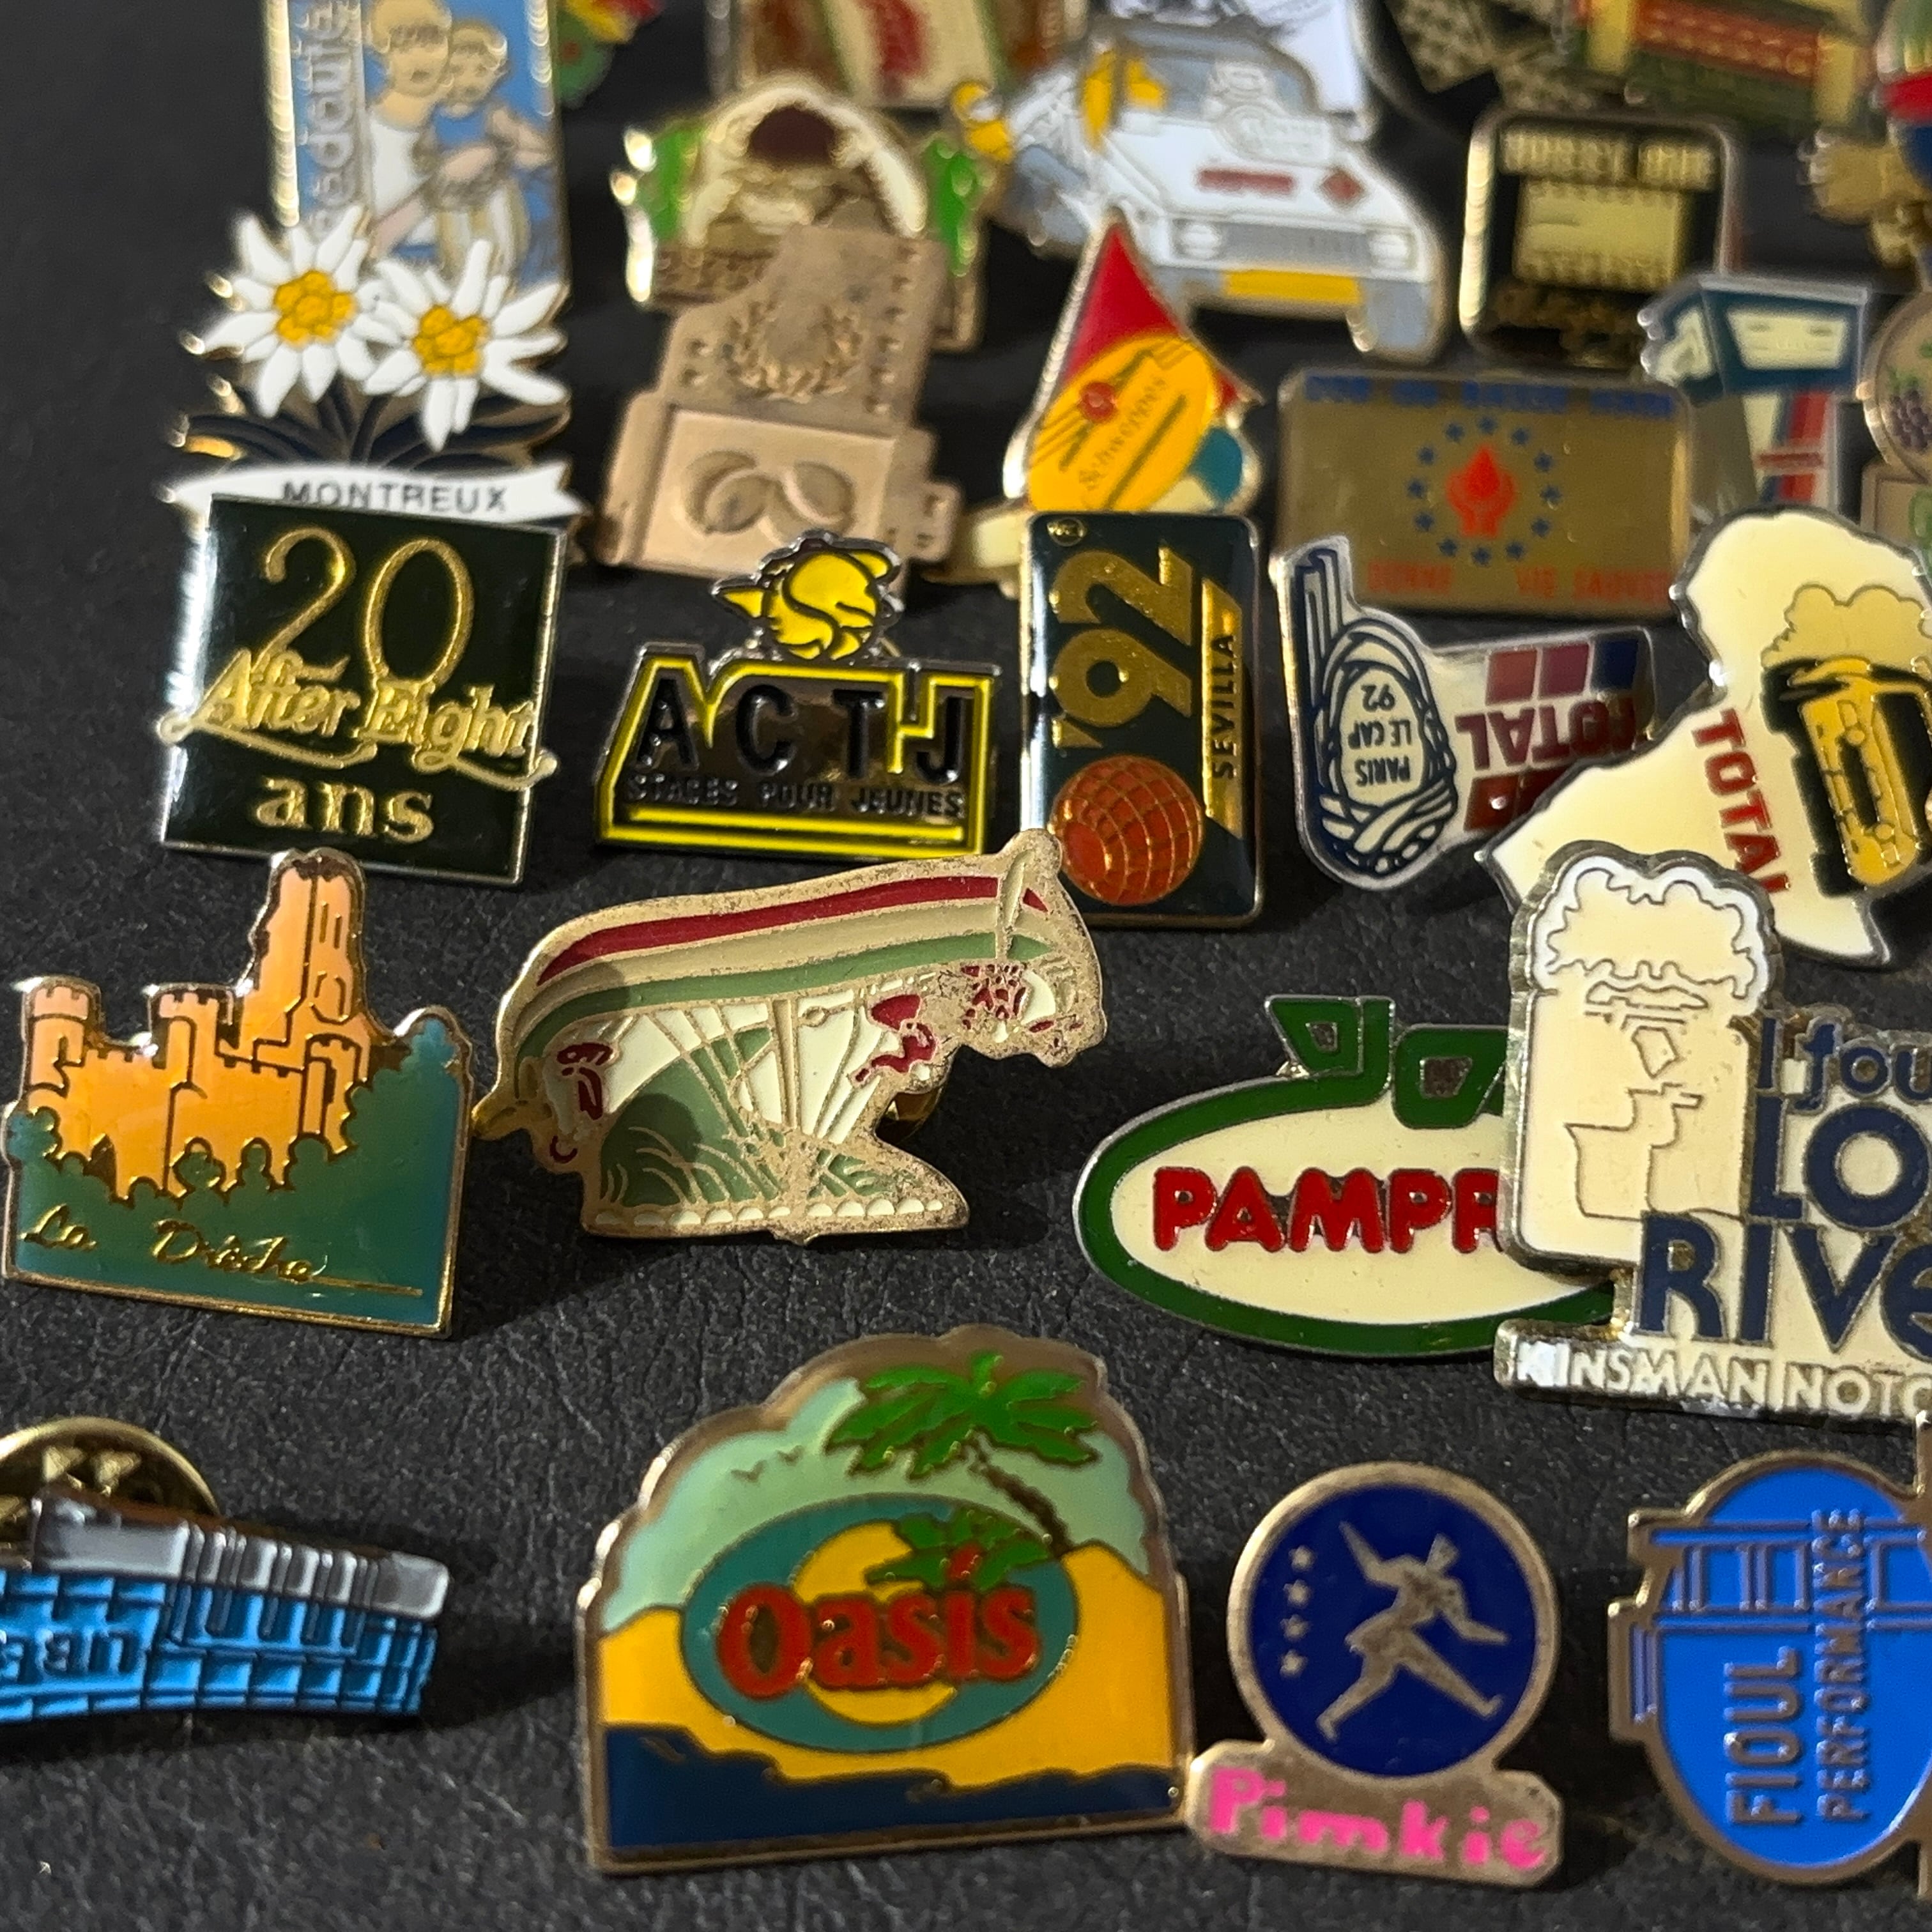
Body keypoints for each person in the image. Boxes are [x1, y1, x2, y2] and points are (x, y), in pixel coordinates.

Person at [419, 20, 558, 282]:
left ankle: (505, 280)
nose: (469, 80)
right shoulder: (433, 116)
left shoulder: (494, 113)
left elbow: (540, 148)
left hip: (496, 193)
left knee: (502, 244)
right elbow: (423, 157)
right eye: (457, 69)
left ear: (497, 74)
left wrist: (505, 144)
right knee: (459, 249)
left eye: (481, 70)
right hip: (452, 201)